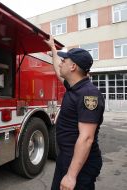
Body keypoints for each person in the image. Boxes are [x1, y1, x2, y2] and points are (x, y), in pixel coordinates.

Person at [45, 36, 105, 190]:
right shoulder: (75, 87)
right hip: (67, 158)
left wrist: (71, 176)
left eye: (65, 61)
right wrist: (53, 48)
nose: (61, 63)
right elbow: (59, 71)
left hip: (80, 164)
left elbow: (86, 138)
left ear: (73, 67)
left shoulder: (88, 95)